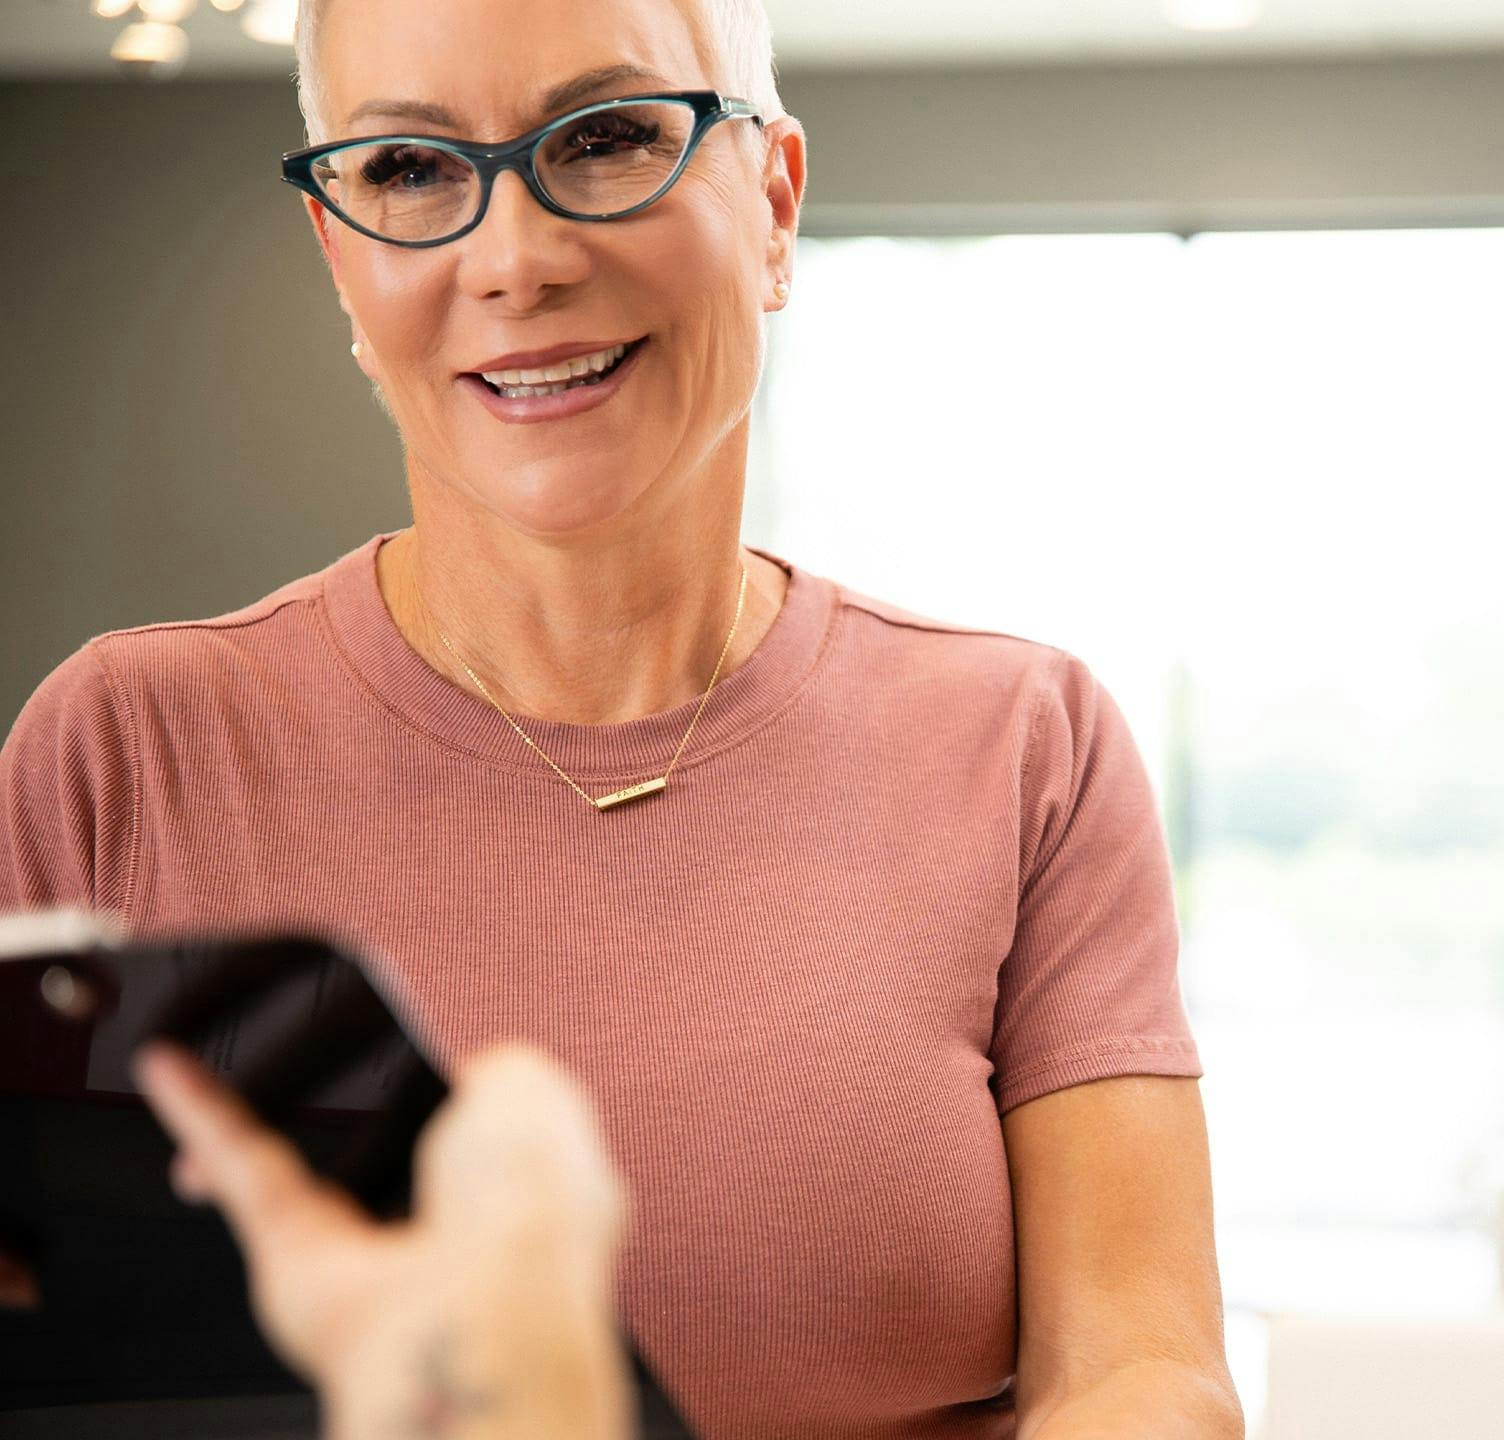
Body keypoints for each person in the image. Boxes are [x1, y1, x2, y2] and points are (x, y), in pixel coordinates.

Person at [0, 0, 1245, 1436]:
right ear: (341, 259)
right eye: (408, 168)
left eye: (606, 140)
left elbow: (1145, 1370)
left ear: (773, 207)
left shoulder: (1024, 742)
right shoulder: (126, 749)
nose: (516, 259)